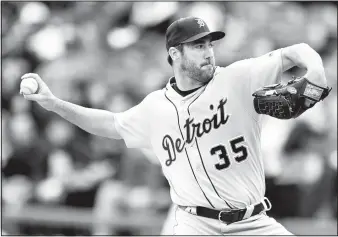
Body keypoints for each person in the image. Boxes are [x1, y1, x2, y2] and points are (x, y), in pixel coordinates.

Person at [20, 16, 328, 235]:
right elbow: (109, 124)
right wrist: (54, 103)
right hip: (194, 225)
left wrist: (315, 67)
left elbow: (293, 52)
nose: (208, 51)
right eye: (198, 46)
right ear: (174, 53)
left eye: (210, 44)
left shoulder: (238, 77)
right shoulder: (155, 107)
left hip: (252, 222)